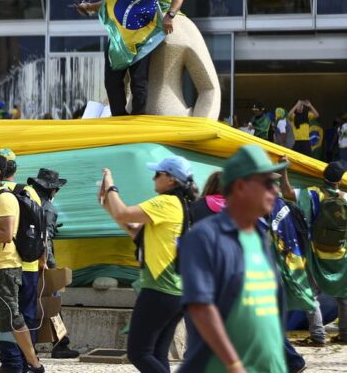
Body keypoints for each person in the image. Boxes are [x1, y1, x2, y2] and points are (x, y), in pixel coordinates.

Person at [178, 145, 289, 372]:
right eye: (268, 184)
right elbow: (201, 307)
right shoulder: (205, 237)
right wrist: (234, 364)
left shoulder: (259, 237)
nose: (276, 191)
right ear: (240, 186)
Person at [100, 155, 196, 373]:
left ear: (171, 180)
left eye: (157, 174)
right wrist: (108, 206)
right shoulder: (181, 205)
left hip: (159, 290)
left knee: (138, 353)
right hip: (177, 291)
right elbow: (135, 232)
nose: (153, 179)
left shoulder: (165, 202)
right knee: (156, 353)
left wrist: (111, 185)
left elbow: (124, 212)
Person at [0, 153, 45, 373]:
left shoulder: (4, 198)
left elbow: (6, 234)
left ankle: (35, 365)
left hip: (4, 268)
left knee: (14, 319)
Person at [76, 0, 185, 116]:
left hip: (144, 33)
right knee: (111, 82)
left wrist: (170, 15)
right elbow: (112, 1)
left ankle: (137, 119)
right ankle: (119, 117)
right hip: (119, 37)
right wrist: (89, 7)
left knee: (139, 82)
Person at [280, 160, 347, 347]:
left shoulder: (312, 194)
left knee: (312, 295)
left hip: (315, 253)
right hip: (340, 254)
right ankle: (345, 334)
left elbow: (286, 193)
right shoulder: (345, 197)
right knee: (343, 295)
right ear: (339, 180)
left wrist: (284, 170)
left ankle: (318, 336)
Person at [27, 168, 82, 360]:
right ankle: (60, 344)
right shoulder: (49, 208)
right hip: (42, 260)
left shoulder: (28, 202)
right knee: (53, 301)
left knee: (26, 303)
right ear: (53, 190)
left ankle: (11, 345)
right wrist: (45, 262)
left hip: (24, 260)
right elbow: (45, 238)